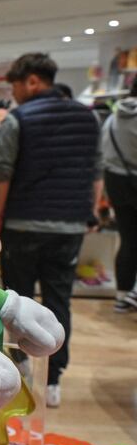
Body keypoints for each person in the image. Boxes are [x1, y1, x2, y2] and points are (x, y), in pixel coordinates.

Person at [0, 53, 101, 408]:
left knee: (18, 301)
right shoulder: (89, 118)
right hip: (69, 226)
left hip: (24, 224)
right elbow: (96, 171)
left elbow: (3, 174)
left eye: (16, 85)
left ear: (33, 81)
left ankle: (23, 365)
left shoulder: (18, 119)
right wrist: (88, 214)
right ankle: (53, 379)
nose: (15, 93)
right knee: (58, 300)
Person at [103, 79, 137, 313]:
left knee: (128, 240)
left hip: (116, 180)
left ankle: (122, 295)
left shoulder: (113, 117)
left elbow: (104, 150)